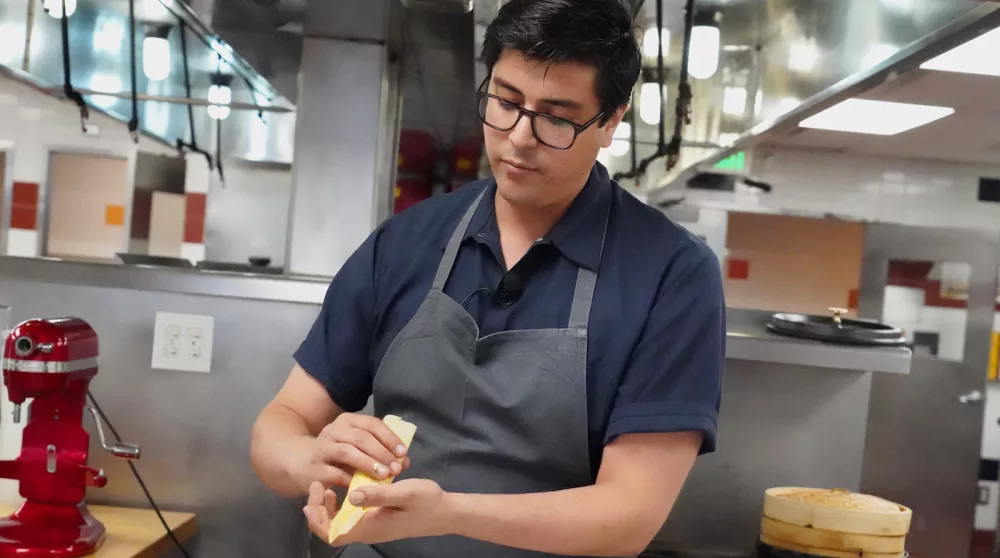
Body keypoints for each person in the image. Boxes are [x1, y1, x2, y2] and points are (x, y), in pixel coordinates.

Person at [250, 0, 726, 556]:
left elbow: (627, 516)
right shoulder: (405, 243)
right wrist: (310, 459)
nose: (519, 137)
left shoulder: (671, 274)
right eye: (504, 101)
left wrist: (449, 514)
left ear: (611, 121)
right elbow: (278, 424)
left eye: (556, 116)